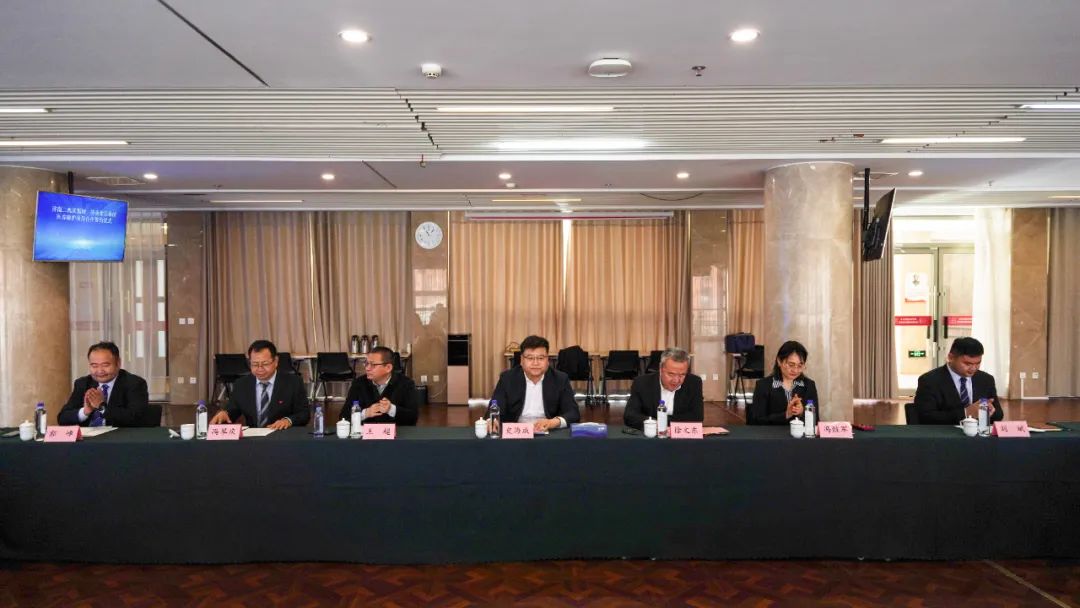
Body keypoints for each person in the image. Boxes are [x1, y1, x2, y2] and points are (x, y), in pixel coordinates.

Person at [210, 340, 309, 429]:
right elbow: (232, 410)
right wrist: (225, 414)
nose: (260, 369)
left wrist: (288, 421)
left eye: (265, 364)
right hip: (254, 439)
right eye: (255, 364)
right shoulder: (242, 384)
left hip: (282, 436)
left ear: (276, 361)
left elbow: (304, 414)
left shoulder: (293, 382)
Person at [490, 335, 580, 432]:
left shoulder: (560, 379)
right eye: (530, 358)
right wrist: (492, 421)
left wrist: (553, 422)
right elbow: (494, 408)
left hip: (549, 432)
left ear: (547, 360)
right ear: (521, 360)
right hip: (516, 432)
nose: (535, 363)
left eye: (541, 358)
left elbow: (573, 413)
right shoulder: (507, 378)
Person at [913, 337, 1004, 425]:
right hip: (944, 434)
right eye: (967, 364)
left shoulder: (986, 380)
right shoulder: (929, 380)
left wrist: (986, 411)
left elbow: (998, 415)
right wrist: (966, 413)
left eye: (978, 363)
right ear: (951, 357)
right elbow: (925, 417)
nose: (973, 368)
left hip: (977, 433)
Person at [58, 341, 150, 427]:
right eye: (94, 365)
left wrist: (101, 406)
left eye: (105, 365)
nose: (100, 371)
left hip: (119, 437)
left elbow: (136, 418)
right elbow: (62, 418)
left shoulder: (134, 383)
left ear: (118, 363)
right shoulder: (83, 383)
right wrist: (85, 411)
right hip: (88, 438)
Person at [624, 348, 703, 430]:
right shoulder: (642, 383)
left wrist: (660, 422)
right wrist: (655, 424)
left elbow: (697, 417)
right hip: (651, 434)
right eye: (671, 374)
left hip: (681, 435)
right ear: (661, 369)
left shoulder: (694, 382)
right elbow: (630, 415)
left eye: (682, 375)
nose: (676, 380)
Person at [340, 346, 419, 425]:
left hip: (396, 432)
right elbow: (343, 417)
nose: (367, 368)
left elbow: (413, 418)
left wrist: (391, 409)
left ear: (388, 368)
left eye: (373, 365)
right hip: (367, 431)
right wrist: (365, 413)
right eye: (366, 363)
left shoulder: (406, 384)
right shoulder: (359, 383)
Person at [748, 341, 819, 425]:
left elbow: (816, 421)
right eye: (791, 365)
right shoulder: (763, 386)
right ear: (779, 361)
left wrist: (802, 412)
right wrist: (786, 414)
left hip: (800, 433)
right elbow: (756, 421)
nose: (795, 370)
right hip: (772, 433)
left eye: (800, 366)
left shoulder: (809, 385)